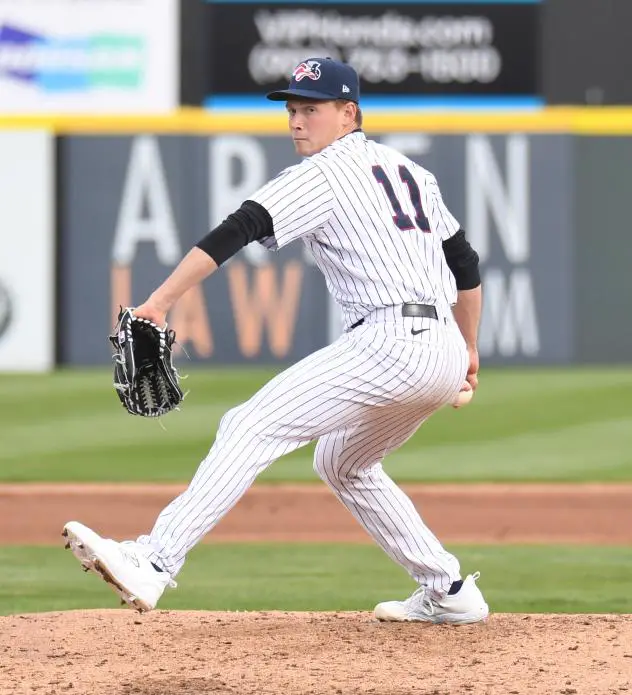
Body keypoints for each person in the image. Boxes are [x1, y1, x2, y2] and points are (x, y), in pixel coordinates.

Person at [63, 57, 488, 624]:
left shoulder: (324, 174)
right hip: (439, 346)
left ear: (348, 113)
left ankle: (155, 560)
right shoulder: (411, 172)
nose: (296, 121)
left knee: (248, 425)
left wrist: (159, 303)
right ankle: (448, 590)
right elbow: (463, 260)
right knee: (344, 462)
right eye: (291, 109)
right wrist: (469, 348)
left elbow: (238, 228)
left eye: (310, 109)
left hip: (391, 339)